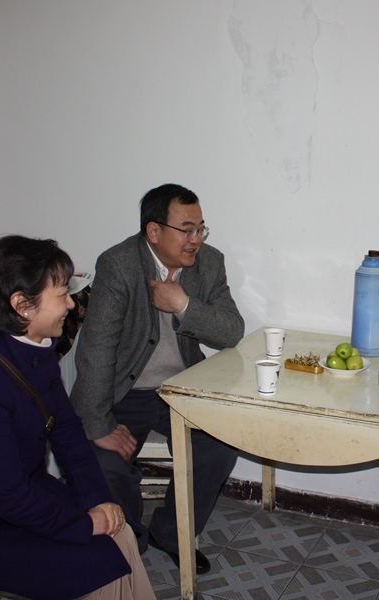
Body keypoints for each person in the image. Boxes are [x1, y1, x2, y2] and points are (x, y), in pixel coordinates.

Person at [0, 236, 155, 600]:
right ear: (22, 305)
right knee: (97, 559)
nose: (71, 304)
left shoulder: (35, 352)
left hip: (22, 499)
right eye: (61, 294)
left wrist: (97, 501)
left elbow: (69, 436)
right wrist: (82, 524)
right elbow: (8, 495)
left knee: (119, 529)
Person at [71, 183, 244, 574]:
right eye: (186, 229)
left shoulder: (209, 262)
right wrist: (98, 423)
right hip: (124, 391)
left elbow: (232, 331)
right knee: (105, 463)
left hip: (180, 390)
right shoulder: (119, 265)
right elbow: (96, 348)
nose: (196, 239)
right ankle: (129, 539)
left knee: (220, 446)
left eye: (200, 229)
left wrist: (183, 304)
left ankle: (172, 533)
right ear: (153, 231)